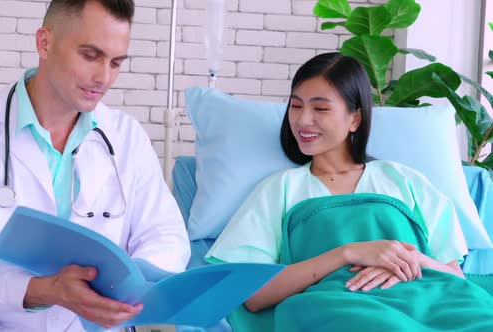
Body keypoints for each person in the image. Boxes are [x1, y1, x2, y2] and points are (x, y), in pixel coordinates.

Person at [0, 1, 190, 331]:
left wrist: (128, 286)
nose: (103, 77)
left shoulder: (127, 137)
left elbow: (166, 236)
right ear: (44, 42)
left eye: (116, 63)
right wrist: (43, 290)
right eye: (90, 55)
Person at [205, 52, 493, 331]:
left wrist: (411, 260)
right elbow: (254, 296)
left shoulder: (405, 181)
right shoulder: (279, 189)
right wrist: (350, 253)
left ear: (355, 119)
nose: (303, 120)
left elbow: (455, 278)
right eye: (295, 106)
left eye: (320, 108)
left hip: (430, 302)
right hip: (337, 309)